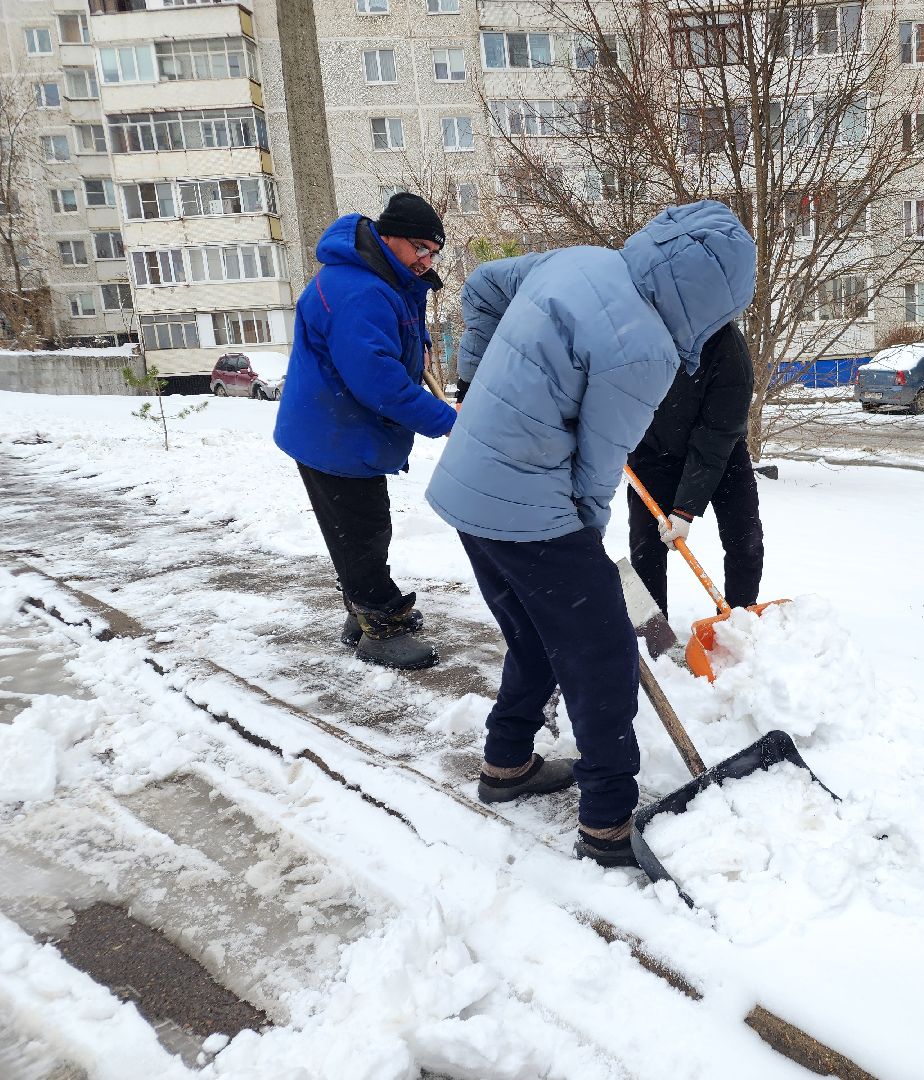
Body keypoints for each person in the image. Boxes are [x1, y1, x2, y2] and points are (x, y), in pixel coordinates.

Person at [426, 200, 756, 868]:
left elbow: (483, 285)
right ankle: (607, 822)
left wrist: (476, 381)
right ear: (713, 299)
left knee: (535, 635)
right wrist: (587, 550)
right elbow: (598, 469)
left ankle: (507, 763)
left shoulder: (580, 260)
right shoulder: (649, 350)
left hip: (468, 487)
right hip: (530, 507)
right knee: (602, 652)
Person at [274, 192, 457, 671]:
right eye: (420, 247)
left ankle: (362, 612)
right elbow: (380, 383)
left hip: (336, 429)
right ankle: (380, 626)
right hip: (335, 434)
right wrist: (446, 422)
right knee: (363, 532)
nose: (426, 260)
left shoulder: (378, 281)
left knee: (352, 530)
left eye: (434, 252)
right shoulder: (360, 290)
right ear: (387, 236)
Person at [626, 321, 763, 618]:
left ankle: (736, 624)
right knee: (645, 546)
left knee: (745, 540)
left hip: (723, 452)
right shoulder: (639, 329)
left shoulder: (728, 348)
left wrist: (685, 509)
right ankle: (651, 635)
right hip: (653, 449)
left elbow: (715, 435)